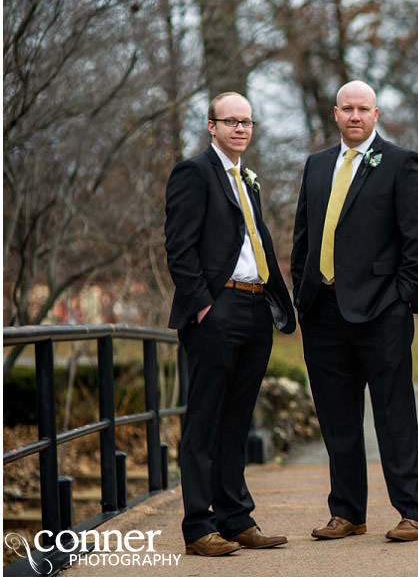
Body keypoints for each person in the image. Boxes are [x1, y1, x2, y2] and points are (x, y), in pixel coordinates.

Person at [291, 80, 418, 542]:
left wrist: (402, 296)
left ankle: (415, 512)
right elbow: (303, 237)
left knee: (395, 414)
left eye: (363, 109)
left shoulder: (400, 162)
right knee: (337, 418)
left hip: (381, 311)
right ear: (336, 113)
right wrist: (303, 292)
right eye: (347, 109)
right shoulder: (316, 166)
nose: (355, 116)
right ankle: (347, 512)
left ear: (376, 114)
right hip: (323, 311)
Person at [165, 92, 296, 556]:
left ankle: (235, 518)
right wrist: (203, 305)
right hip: (217, 311)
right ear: (211, 126)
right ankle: (199, 527)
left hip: (255, 308)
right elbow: (179, 248)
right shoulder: (194, 173)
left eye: (247, 122)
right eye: (231, 121)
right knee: (204, 421)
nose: (240, 129)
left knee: (238, 420)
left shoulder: (247, 180)